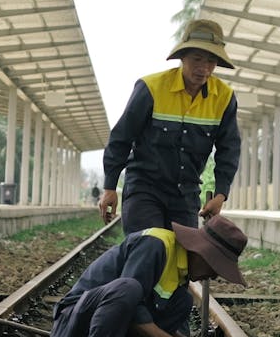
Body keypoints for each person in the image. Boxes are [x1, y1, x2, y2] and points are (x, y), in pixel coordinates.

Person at [50, 215, 248, 337]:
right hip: (72, 327)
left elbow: (142, 316)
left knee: (182, 302)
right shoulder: (155, 244)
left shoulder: (179, 268)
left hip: (103, 331)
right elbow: (130, 304)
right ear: (202, 253)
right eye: (216, 267)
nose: (213, 276)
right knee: (128, 288)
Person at [99, 19, 241, 233]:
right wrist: (110, 187)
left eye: (211, 61)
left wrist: (220, 194)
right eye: (197, 59)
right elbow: (122, 137)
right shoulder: (151, 88)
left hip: (186, 195)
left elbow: (229, 149)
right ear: (182, 57)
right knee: (146, 250)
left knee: (182, 258)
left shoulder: (224, 98)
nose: (203, 68)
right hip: (144, 190)